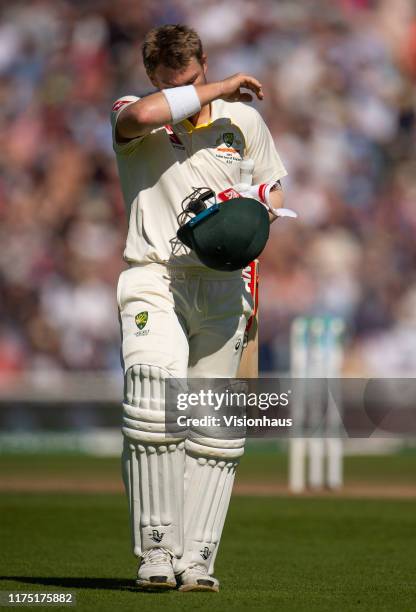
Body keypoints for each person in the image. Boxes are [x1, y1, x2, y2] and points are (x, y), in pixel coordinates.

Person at [111, 23, 287, 592]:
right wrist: (219, 87)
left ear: (203, 62)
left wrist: (251, 216)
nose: (187, 91)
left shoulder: (246, 123)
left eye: (194, 78)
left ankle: (196, 562)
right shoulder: (135, 112)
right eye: (174, 84)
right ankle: (156, 554)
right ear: (152, 78)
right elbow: (137, 120)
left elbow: (273, 191)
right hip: (154, 274)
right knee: (152, 397)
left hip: (222, 283)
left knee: (216, 428)